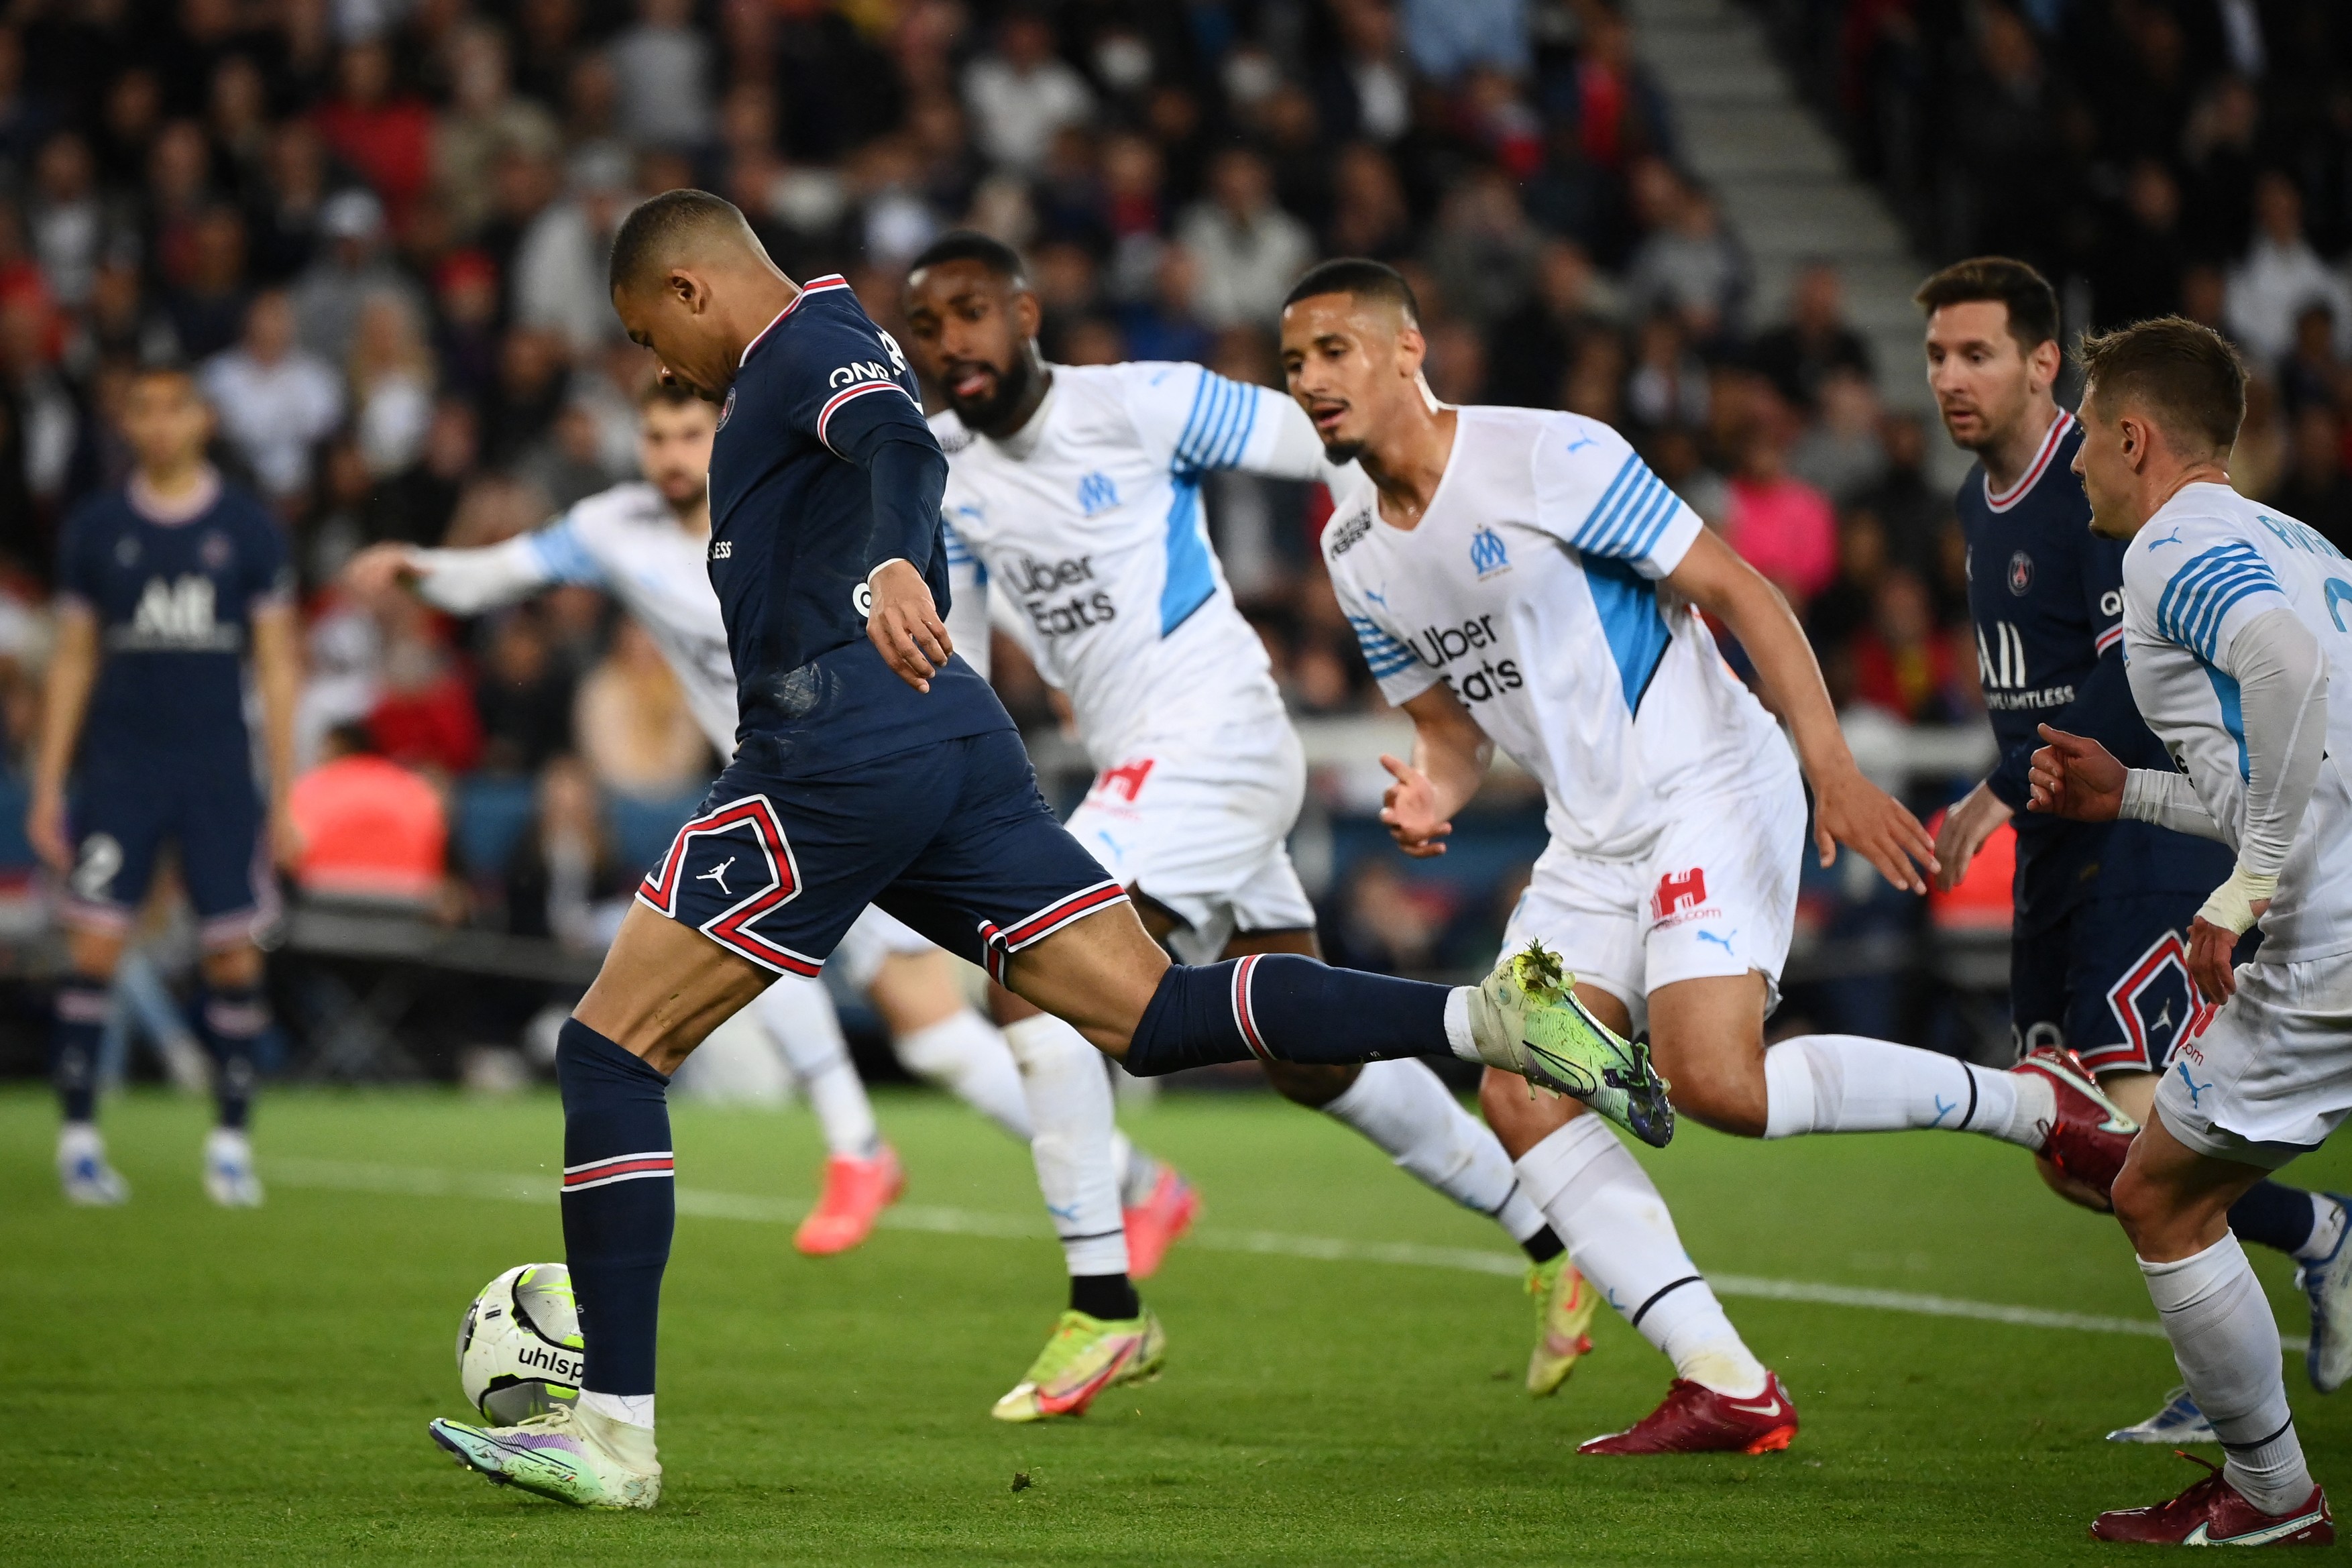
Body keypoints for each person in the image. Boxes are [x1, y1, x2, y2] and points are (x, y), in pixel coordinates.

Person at [421, 191, 1645, 1512]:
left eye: (645, 329)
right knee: (1149, 1012)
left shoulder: (802, 345)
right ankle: (1487, 1016)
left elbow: (900, 448)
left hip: (831, 754)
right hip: (947, 749)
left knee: (608, 1047)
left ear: (689, 291)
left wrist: (896, 564)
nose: (658, 365)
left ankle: (612, 1429)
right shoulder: (808, 355)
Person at [1288, 257, 2144, 1456]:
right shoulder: (1351, 550)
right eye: (1293, 365)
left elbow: (1738, 591)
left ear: (1405, 351)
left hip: (1708, 776)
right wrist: (1433, 789)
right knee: (1520, 1087)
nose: (1311, 381)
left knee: (1716, 1083)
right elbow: (1451, 728)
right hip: (1586, 835)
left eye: (1333, 352)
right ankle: (1720, 1376)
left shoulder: (1547, 454)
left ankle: (2025, 1101)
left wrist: (1832, 767)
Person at [899, 229, 1594, 1412]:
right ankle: (1559, 1237)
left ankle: (1104, 1307)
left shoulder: (1139, 404)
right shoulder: (949, 478)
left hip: (1213, 732)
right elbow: (953, 649)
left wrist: (1388, 590)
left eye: (970, 312)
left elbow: (1330, 443)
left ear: (1025, 312)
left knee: (1032, 974)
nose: (950, 342)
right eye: (925, 326)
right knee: (1310, 1059)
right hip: (1156, 763)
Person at [345, 383, 1196, 1269]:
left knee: (740, 915)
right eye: (655, 435)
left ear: (721, 434)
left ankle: (859, 1145)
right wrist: (417, 565)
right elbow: (506, 569)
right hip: (792, 791)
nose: (672, 453)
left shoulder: (788, 507)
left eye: (688, 432)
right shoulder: (612, 528)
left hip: (857, 779)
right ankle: (1135, 1180)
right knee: (936, 1038)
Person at [1915, 257, 2351, 1443]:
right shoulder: (2285, 539)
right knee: (2089, 1155)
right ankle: (2306, 1253)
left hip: (2205, 883)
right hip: (2112, 840)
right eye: (1936, 355)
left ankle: (2253, 1444)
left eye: (1977, 353)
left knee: (2142, 1156)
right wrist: (2101, 797)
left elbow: (2255, 678)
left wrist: (2244, 879)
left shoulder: (2148, 531)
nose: (1949, 378)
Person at [2029, 315, 2339, 1547]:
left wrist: (2245, 884)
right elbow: (2306, 746)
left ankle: (2269, 1492)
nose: (2075, 468)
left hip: (2331, 943)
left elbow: (2283, 674)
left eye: (2087, 442)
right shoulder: (2296, 538)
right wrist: (2134, 793)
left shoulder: (2175, 541)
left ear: (2132, 435)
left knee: (2156, 1194)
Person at [29, 362, 300, 1207]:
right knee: (95, 947)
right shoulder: (97, 529)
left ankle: (229, 1143)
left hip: (217, 771)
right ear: (128, 423)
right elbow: (73, 658)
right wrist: (47, 784)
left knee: (230, 953)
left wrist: (286, 794)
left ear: (201, 419)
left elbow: (278, 668)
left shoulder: (247, 530)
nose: (156, 424)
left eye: (171, 408)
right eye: (140, 409)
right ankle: (78, 1142)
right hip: (121, 769)